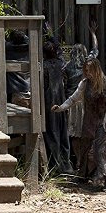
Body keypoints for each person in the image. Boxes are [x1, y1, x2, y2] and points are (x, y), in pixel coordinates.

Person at [52, 58, 106, 190]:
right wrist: (61, 107)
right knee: (85, 150)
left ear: (96, 70)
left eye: (89, 71)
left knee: (101, 152)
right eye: (85, 71)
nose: (87, 73)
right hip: (89, 122)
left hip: (105, 122)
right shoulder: (85, 84)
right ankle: (83, 176)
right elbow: (73, 99)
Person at [63, 21, 98, 170]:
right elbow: (95, 49)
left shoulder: (67, 66)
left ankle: (78, 160)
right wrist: (93, 33)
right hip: (87, 103)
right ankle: (87, 161)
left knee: (74, 134)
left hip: (72, 104)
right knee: (88, 132)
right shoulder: (88, 63)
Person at [43, 37, 73, 175]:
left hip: (50, 104)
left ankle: (55, 166)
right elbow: (59, 50)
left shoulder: (43, 66)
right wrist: (50, 35)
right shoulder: (62, 64)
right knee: (63, 133)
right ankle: (66, 164)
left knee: (53, 134)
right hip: (61, 102)